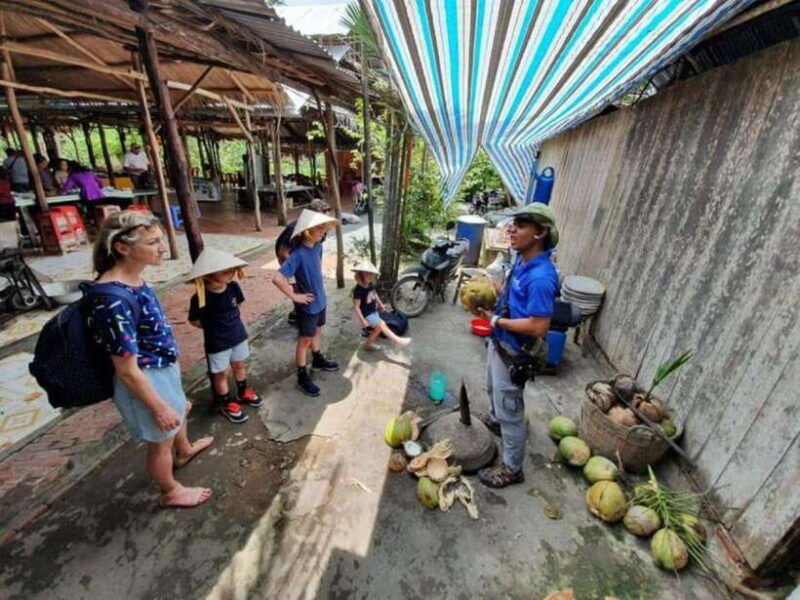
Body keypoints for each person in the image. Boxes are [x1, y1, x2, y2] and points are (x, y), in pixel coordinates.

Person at [86, 210, 213, 508]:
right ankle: (170, 490)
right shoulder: (111, 299)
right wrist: (157, 407)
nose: (163, 248)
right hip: (145, 377)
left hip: (160, 367)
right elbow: (126, 370)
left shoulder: (134, 280)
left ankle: (184, 450)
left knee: (179, 411)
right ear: (122, 247)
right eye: (154, 242)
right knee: (160, 440)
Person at [474, 203, 560, 489]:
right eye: (514, 223)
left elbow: (538, 326)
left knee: (511, 410)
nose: (512, 229)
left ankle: (512, 468)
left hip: (515, 352)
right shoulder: (522, 262)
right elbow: (515, 303)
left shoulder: (542, 277)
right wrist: (490, 292)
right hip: (499, 344)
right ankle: (496, 419)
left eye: (521, 225)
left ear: (540, 233)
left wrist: (497, 321)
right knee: (493, 390)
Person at [187, 247, 263, 424]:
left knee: (239, 364)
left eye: (231, 270)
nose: (230, 274)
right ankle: (227, 403)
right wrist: (213, 328)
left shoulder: (233, 287)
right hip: (217, 342)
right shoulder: (199, 297)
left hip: (237, 335)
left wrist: (230, 324)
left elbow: (237, 307)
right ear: (209, 275)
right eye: (225, 271)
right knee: (221, 373)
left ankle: (243, 392)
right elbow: (194, 320)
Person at [272, 208, 340, 397]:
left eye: (324, 229)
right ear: (307, 232)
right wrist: (295, 296)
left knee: (318, 331)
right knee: (304, 341)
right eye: (319, 229)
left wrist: (319, 282)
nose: (323, 232)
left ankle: (317, 359)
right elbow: (277, 278)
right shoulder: (298, 254)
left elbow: (316, 267)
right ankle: (302, 376)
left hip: (320, 299)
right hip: (308, 305)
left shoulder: (317, 247)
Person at [275, 198, 331, 326]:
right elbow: (283, 253)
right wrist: (294, 277)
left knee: (310, 284)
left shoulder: (322, 227)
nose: (325, 224)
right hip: (290, 257)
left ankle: (301, 314)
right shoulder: (295, 228)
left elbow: (318, 247)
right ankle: (300, 316)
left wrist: (316, 270)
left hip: (306, 255)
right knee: (299, 288)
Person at [352, 260, 411, 350]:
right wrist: (362, 321)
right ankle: (398, 341)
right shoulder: (358, 290)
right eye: (367, 274)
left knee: (378, 329)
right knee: (381, 324)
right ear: (360, 275)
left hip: (373, 311)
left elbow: (374, 293)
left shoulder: (370, 284)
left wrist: (380, 304)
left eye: (371, 274)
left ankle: (368, 344)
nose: (370, 277)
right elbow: (356, 307)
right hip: (366, 314)